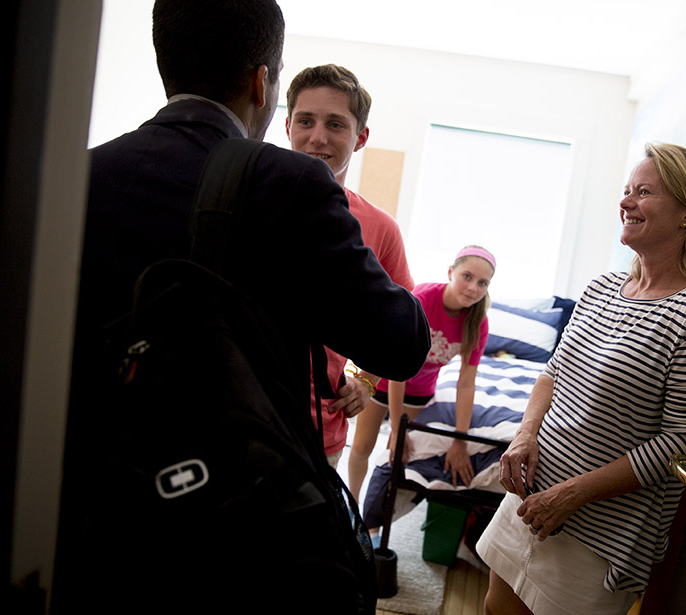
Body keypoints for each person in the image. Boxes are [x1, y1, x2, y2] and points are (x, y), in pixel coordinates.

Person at [54, 0, 430, 610]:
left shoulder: (80, 173)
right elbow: (403, 342)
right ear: (263, 83)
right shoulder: (293, 186)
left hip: (92, 491)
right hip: (234, 501)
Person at [476, 143, 686, 615]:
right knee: (496, 608)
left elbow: (681, 438)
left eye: (644, 192)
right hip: (531, 497)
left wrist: (571, 494)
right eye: (627, 189)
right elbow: (552, 373)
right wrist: (524, 435)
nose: (626, 201)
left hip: (598, 527)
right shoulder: (601, 288)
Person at [285, 63, 415, 468]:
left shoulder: (380, 227)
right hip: (241, 421)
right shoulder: (247, 202)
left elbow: (401, 326)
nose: (317, 137)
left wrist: (367, 381)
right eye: (306, 121)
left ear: (360, 138)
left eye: (335, 124)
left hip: (322, 430)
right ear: (287, 126)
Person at [348, 246, 496, 505]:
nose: (473, 288)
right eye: (467, 276)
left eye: (482, 283)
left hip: (419, 391)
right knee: (362, 446)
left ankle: (374, 512)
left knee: (398, 454)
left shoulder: (477, 322)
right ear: (450, 272)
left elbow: (465, 384)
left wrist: (460, 440)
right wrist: (397, 427)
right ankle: (351, 504)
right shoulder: (423, 299)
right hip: (384, 376)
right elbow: (398, 365)